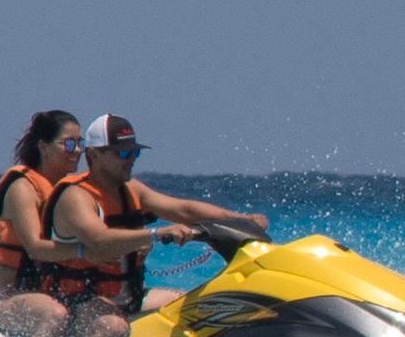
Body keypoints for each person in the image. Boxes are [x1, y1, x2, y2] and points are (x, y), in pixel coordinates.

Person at [58, 113, 270, 314]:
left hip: (131, 298)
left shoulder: (133, 190)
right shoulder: (77, 197)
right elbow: (99, 240)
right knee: (114, 325)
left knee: (202, 309)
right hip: (83, 305)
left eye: (135, 152)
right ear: (94, 155)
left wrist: (241, 219)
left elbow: (183, 210)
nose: (131, 159)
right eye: (123, 153)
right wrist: (155, 234)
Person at [0, 109, 111, 337]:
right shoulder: (23, 188)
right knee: (56, 315)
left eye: (80, 143)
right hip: (12, 300)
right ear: (44, 147)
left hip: (63, 294)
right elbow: (35, 247)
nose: (77, 150)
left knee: (114, 317)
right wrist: (84, 252)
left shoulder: (73, 191)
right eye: (69, 143)